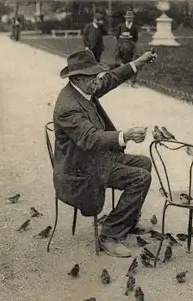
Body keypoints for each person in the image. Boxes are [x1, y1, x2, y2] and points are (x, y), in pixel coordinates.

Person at [53, 49, 157, 258]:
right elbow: (91, 138)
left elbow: (111, 78)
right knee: (140, 178)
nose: (99, 80)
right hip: (80, 171)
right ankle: (109, 236)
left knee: (144, 163)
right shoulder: (68, 107)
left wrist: (138, 62)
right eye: (94, 77)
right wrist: (124, 135)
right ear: (79, 78)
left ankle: (125, 222)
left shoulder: (83, 89)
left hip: (95, 159)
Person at [115, 10, 139, 87]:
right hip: (121, 46)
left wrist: (130, 42)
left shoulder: (134, 27)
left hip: (131, 47)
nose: (129, 19)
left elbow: (135, 38)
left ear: (133, 18)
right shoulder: (121, 26)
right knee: (121, 63)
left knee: (133, 63)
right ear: (125, 18)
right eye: (128, 17)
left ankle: (133, 81)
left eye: (131, 17)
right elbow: (117, 36)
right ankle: (121, 81)